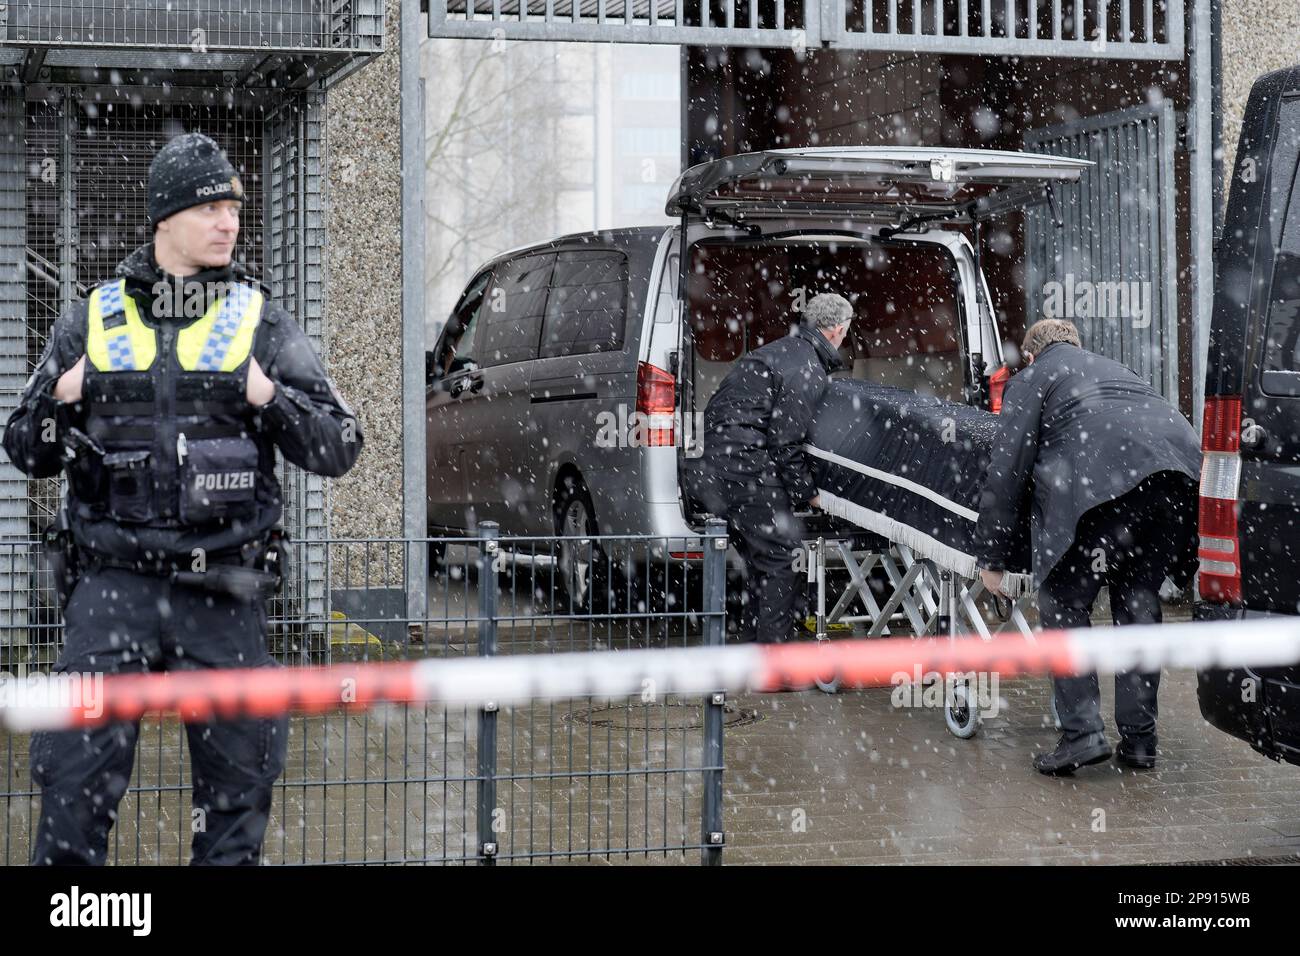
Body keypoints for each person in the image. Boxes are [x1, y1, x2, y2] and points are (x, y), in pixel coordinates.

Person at [3, 132, 364, 863]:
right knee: (72, 792)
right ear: (164, 217)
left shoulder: (258, 321)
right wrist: (66, 397)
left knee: (235, 803)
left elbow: (338, 444)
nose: (228, 220)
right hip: (111, 591)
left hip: (223, 590)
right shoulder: (91, 319)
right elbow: (23, 445)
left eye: (233, 205)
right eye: (209, 205)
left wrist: (267, 397)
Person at [974, 318, 1200, 775]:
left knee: (1063, 600)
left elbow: (1007, 468)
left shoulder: (1033, 378)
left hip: (1103, 486)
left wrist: (992, 557)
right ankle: (1140, 741)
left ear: (1032, 354)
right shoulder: (1118, 369)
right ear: (1077, 345)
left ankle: (1082, 735)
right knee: (1137, 601)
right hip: (1175, 483)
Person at [690, 293, 852, 644]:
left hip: (711, 466)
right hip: (744, 466)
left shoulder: (777, 352)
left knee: (763, 561)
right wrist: (808, 494)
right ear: (838, 330)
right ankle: (774, 665)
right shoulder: (807, 368)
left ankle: (754, 652)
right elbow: (785, 441)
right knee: (785, 557)